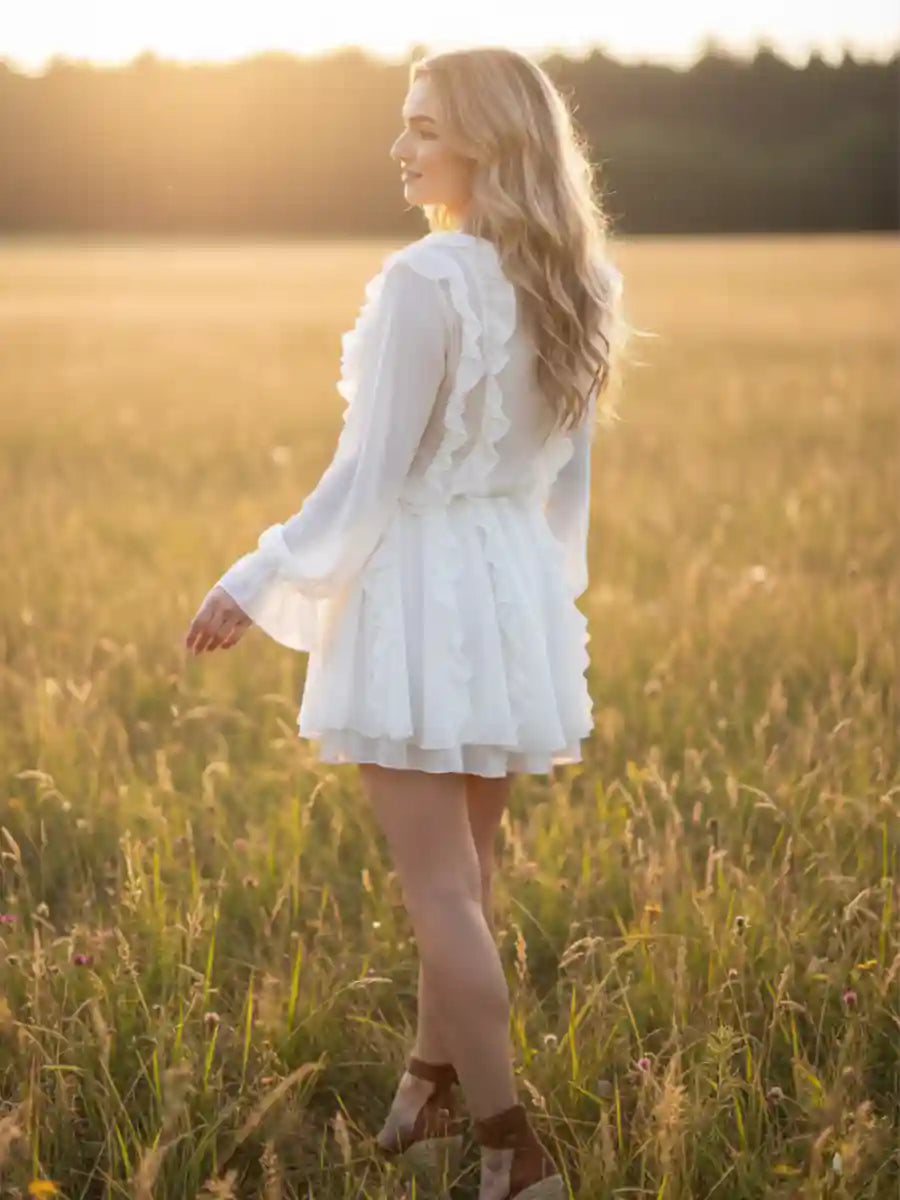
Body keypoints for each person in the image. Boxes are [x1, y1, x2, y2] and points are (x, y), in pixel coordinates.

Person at [184, 44, 630, 1200]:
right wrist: (544, 598)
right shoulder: (577, 279)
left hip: (421, 584)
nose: (400, 148)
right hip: (507, 578)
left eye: (422, 127)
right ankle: (430, 1084)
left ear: (487, 142)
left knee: (440, 894)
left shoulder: (427, 281)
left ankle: (512, 1150)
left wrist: (257, 573)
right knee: (468, 883)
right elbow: (564, 485)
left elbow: (369, 476)